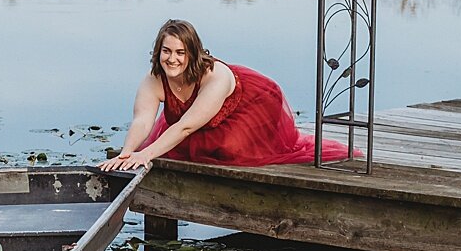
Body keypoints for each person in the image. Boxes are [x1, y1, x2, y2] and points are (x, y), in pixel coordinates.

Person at [99, 18, 358, 172]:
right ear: (158, 51)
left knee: (227, 149)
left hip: (253, 104)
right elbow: (143, 120)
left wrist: (146, 155)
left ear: (193, 54)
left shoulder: (215, 78)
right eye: (166, 51)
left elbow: (186, 126)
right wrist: (128, 152)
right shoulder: (154, 79)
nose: (172, 59)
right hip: (198, 119)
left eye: (180, 52)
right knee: (164, 145)